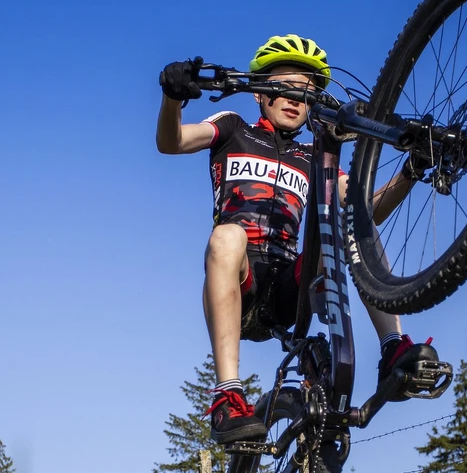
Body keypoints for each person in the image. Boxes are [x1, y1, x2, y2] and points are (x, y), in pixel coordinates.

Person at [155, 34, 440, 442]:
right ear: (260, 94)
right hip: (241, 280)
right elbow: (172, 142)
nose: (295, 99)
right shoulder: (233, 128)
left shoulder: (312, 159)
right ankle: (228, 396)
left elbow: (369, 209)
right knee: (227, 236)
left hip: (292, 288)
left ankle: (392, 347)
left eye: (306, 94)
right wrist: (172, 97)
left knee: (351, 217)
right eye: (284, 88)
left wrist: (412, 171)